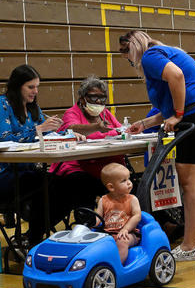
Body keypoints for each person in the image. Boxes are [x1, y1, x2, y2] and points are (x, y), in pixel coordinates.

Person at [120, 30, 195, 261]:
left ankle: (189, 246)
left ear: (132, 47)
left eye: (125, 53)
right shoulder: (168, 52)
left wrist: (178, 115)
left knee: (191, 184)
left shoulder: (149, 56)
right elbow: (177, 96)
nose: (127, 60)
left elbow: (176, 77)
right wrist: (145, 122)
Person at [0, 65, 83, 245]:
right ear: (17, 86)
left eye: (37, 87)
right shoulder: (2, 105)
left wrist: (68, 134)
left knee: (68, 185)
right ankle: (34, 239)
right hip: (6, 173)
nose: (35, 92)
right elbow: (4, 139)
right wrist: (38, 129)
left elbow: (48, 132)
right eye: (31, 87)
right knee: (47, 186)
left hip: (27, 171)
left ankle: (34, 236)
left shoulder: (33, 108)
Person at [49, 76, 125, 204]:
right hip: (78, 167)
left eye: (102, 98)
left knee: (127, 181)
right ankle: (87, 221)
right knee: (83, 184)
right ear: (82, 98)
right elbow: (71, 128)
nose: (98, 102)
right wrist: (97, 127)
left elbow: (121, 130)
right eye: (93, 97)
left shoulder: (105, 114)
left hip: (104, 165)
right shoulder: (72, 113)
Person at [96, 163, 141, 264]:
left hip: (129, 234)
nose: (129, 183)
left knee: (122, 242)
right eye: (124, 181)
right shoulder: (103, 200)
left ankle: (117, 267)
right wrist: (90, 224)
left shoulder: (132, 199)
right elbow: (97, 217)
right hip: (107, 235)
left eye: (128, 179)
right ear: (111, 187)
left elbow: (137, 216)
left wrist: (126, 229)